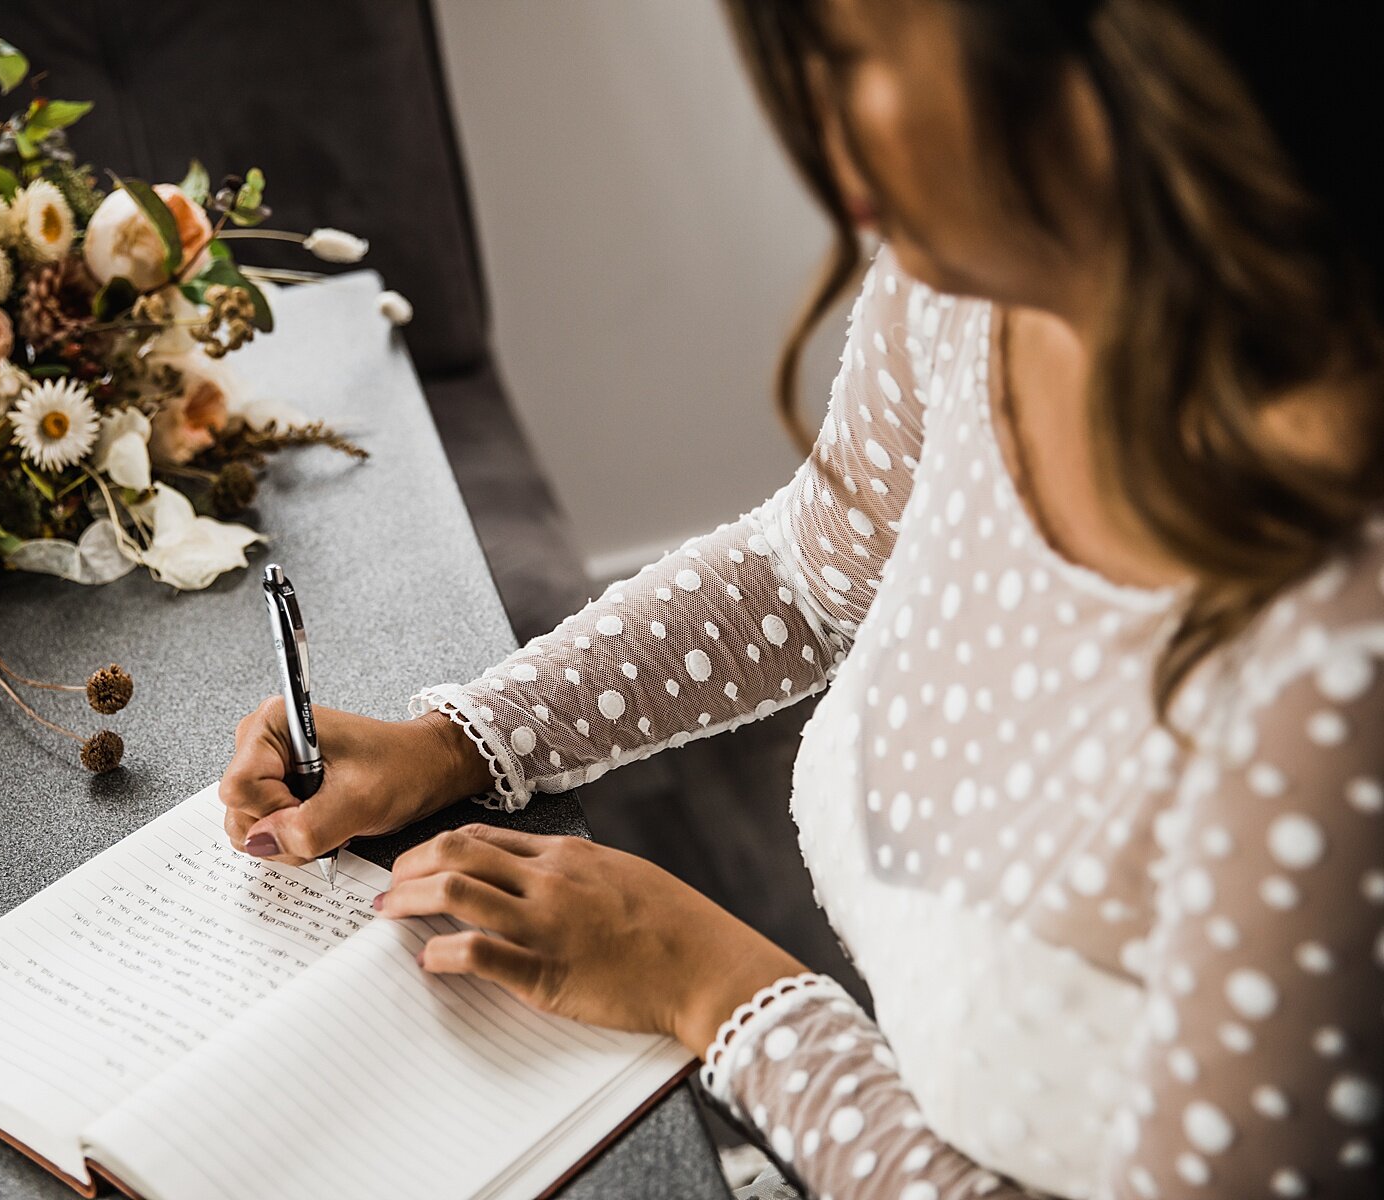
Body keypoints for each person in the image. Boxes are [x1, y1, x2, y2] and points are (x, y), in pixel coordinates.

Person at [221, 1, 1384, 1195]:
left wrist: (711, 986)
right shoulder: (981, 290)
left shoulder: (1343, 674)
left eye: (847, 54)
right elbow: (806, 574)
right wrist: (465, 738)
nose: (808, 128)